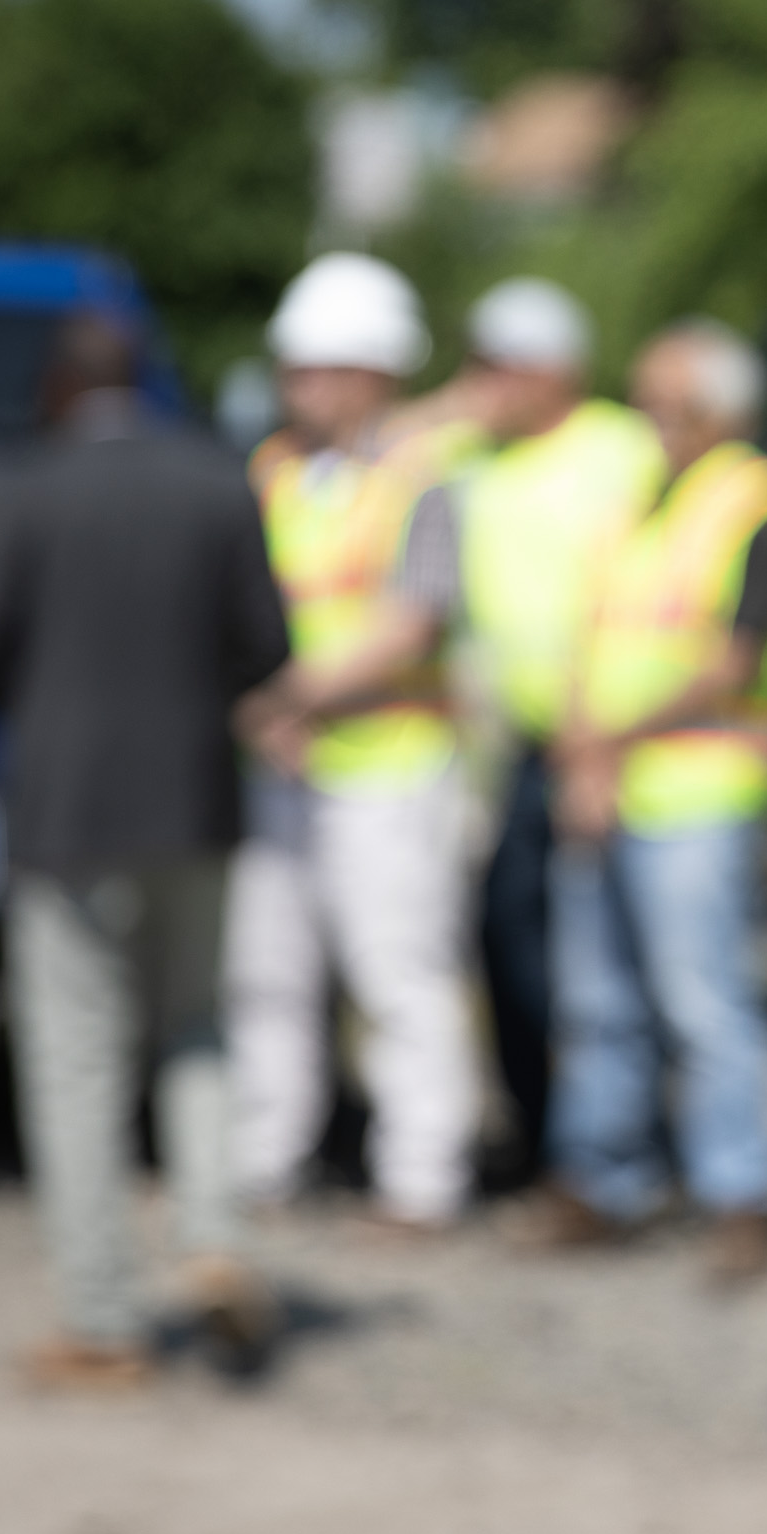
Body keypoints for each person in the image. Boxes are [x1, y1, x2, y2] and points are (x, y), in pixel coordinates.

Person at [0, 312, 292, 1386]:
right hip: (195, 803)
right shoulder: (217, 481)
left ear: (58, 387)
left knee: (76, 1052)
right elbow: (269, 646)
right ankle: (213, 1241)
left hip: (68, 815)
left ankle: (101, 1318)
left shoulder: (19, 487)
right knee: (196, 1027)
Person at [537, 318, 767, 1285]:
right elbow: (593, 635)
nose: (649, 419)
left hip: (697, 784)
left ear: (720, 410)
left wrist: (608, 741)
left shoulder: (755, 499)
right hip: (614, 780)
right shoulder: (640, 500)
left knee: (703, 999)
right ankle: (605, 1178)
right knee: (599, 998)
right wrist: (582, 754)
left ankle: (741, 1189)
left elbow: (736, 657)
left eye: (666, 403)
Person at [229, 253, 485, 1231]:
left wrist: (286, 696)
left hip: (388, 763)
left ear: (373, 371)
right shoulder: (273, 472)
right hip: (285, 763)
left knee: (398, 973)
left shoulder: (422, 478)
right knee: (269, 971)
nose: (299, 386)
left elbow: (412, 622)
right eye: (295, 368)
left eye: (318, 367)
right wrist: (267, 709)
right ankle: (266, 1158)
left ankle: (422, 1176)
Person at [450, 277, 666, 1188]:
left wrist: (598, 732)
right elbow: (384, 441)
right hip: (520, 746)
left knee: (615, 955)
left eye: (500, 369)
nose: (484, 387)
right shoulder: (478, 460)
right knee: (509, 939)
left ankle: (629, 1139)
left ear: (553, 372)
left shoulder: (619, 448)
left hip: (615, 737)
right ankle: (544, 1132)